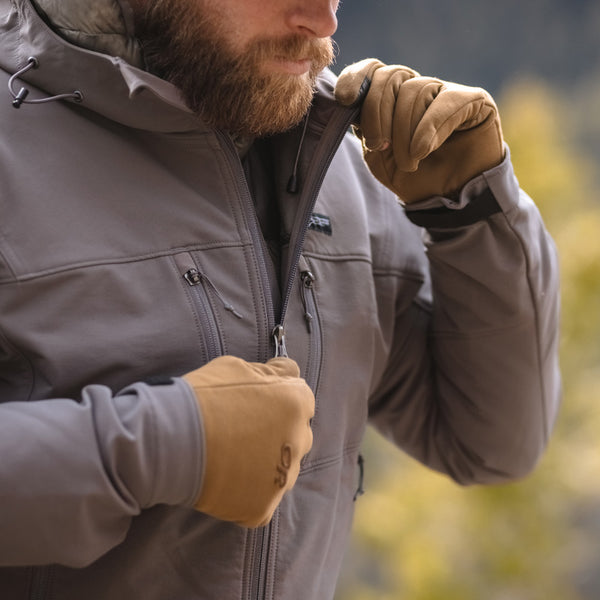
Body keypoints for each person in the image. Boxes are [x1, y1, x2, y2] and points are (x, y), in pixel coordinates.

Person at [0, 0, 560, 598]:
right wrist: (156, 449)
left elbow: (491, 444)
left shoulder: (333, 154)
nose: (323, 21)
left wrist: (472, 211)